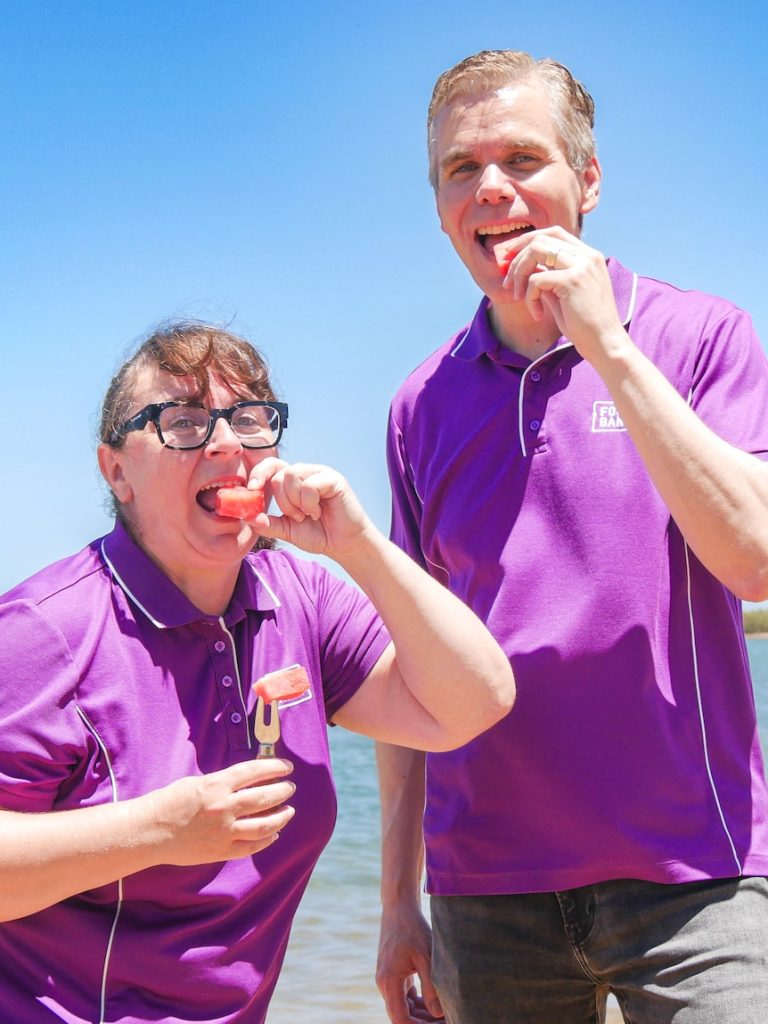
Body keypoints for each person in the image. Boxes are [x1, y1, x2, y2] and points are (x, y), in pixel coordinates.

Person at [376, 49, 768, 1024]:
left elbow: (755, 559)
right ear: (439, 206)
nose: (491, 188)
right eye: (461, 169)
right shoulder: (420, 404)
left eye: (522, 159)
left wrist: (608, 346)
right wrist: (395, 901)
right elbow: (410, 664)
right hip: (484, 892)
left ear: (587, 179)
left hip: (696, 875)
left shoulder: (701, 336)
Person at [0, 320, 515, 1024]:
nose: (225, 443)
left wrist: (360, 546)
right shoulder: (44, 630)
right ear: (116, 471)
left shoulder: (300, 597)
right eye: (183, 422)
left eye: (248, 419)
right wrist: (160, 830)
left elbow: (475, 703)